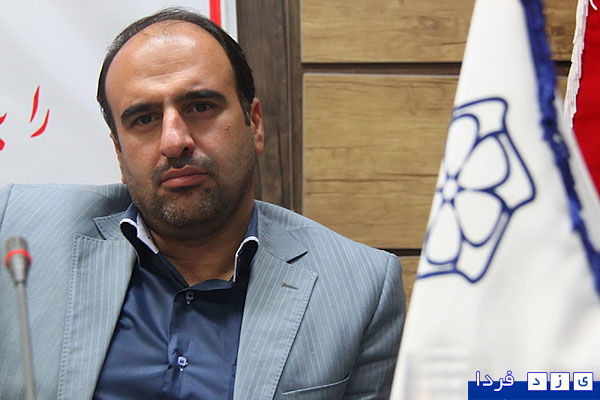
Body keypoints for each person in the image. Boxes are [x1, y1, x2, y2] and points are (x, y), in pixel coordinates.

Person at [0, 7, 405, 399]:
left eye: (200, 107)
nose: (174, 141)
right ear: (119, 153)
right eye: (144, 119)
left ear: (255, 124)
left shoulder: (358, 289)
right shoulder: (18, 230)